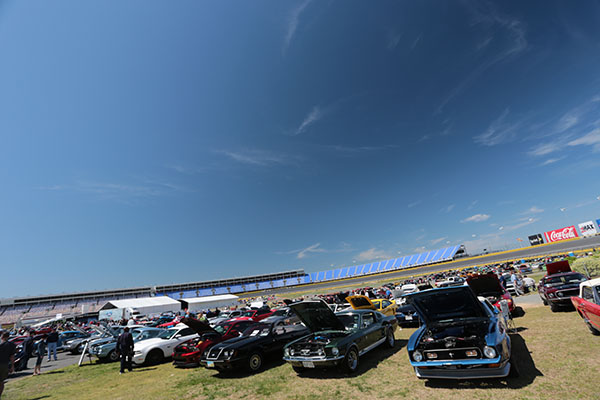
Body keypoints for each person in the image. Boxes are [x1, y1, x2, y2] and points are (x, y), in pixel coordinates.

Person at [0, 331, 17, 398]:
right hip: (5, 364)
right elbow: (12, 357)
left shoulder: (1, 344)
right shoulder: (12, 345)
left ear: (2, 337)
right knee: (1, 382)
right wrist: (12, 366)